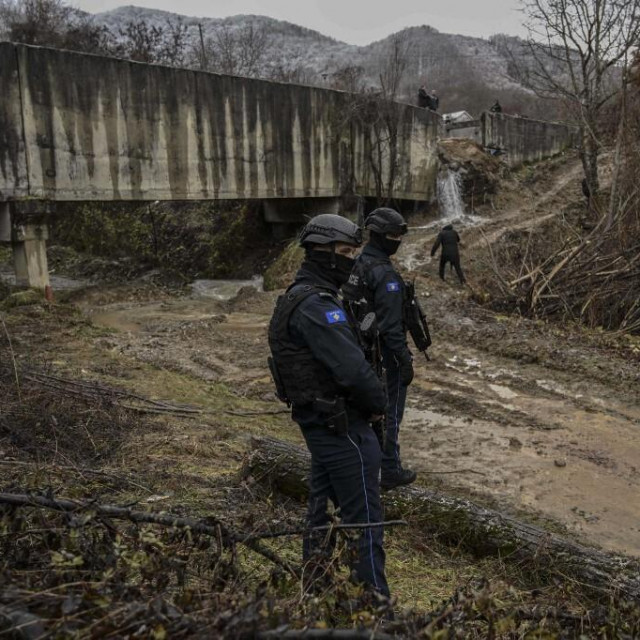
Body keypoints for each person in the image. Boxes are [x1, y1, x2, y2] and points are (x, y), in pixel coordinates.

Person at [267, 214, 390, 598]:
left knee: (321, 514)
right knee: (364, 521)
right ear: (323, 253)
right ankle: (374, 608)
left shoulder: (299, 298)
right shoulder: (317, 307)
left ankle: (316, 590)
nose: (352, 259)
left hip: (324, 425)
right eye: (346, 252)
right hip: (343, 428)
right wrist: (380, 405)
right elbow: (354, 372)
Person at [342, 208, 417, 492]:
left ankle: (367, 463)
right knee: (390, 412)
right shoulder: (384, 274)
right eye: (393, 236)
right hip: (383, 355)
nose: (397, 240)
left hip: (360, 351)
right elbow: (390, 326)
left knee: (367, 410)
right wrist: (404, 360)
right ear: (379, 236)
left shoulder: (357, 264)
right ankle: (389, 470)